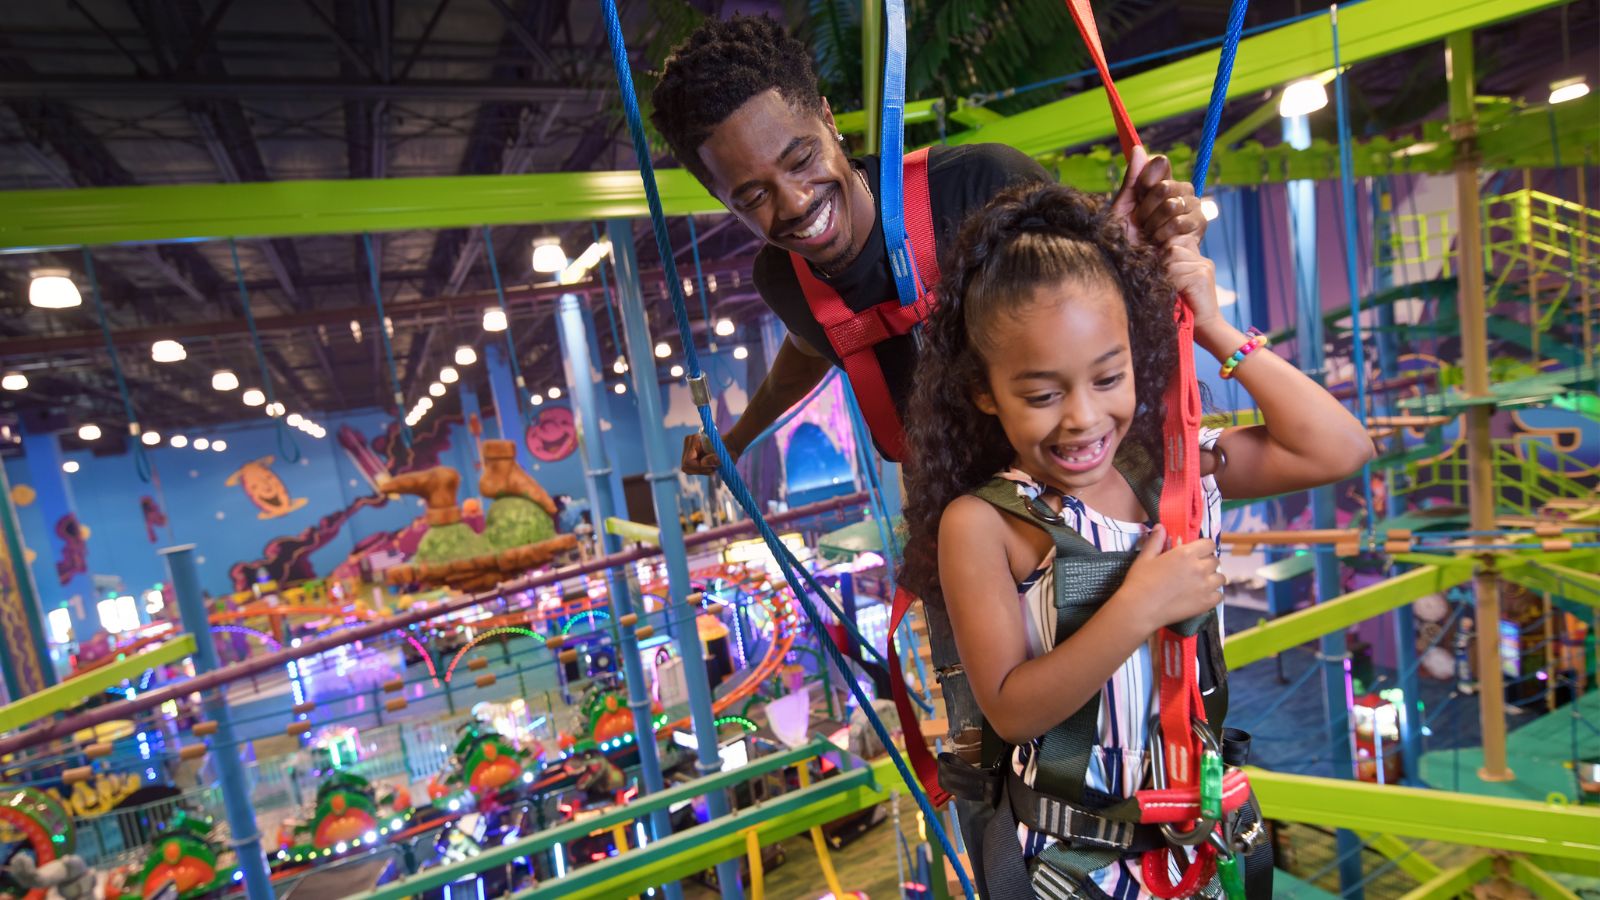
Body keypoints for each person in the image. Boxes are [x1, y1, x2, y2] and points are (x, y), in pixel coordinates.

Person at [900, 181, 1374, 896]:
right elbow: (1009, 705)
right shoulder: (989, 522)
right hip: (1074, 860)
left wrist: (1214, 328)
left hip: (1191, 847)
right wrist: (1138, 607)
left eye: (1108, 377)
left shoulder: (1171, 470)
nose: (1083, 418)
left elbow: (1338, 448)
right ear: (985, 391)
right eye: (1042, 395)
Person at [650, 14, 1211, 469]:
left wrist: (1143, 245)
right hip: (966, 534)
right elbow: (810, 345)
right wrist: (738, 436)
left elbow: (1100, 299)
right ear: (721, 200)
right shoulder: (783, 280)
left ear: (827, 120)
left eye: (802, 159)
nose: (795, 203)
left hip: (1091, 483)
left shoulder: (982, 185)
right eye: (752, 197)